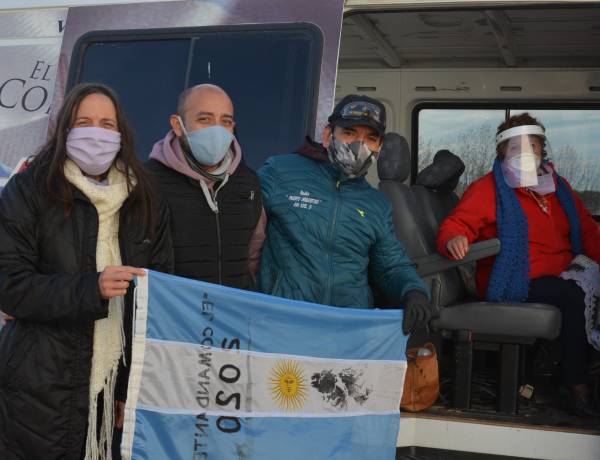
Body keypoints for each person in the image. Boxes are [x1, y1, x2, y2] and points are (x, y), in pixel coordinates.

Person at [0, 82, 173, 459]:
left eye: (106, 123)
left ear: (120, 132)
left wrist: (128, 389)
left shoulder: (145, 198)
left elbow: (156, 302)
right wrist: (89, 289)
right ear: (65, 130)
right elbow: (9, 283)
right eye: (84, 121)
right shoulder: (28, 190)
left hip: (111, 391)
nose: (96, 132)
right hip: (40, 389)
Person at [437, 113, 600, 417]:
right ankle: (575, 386)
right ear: (502, 152)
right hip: (510, 278)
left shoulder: (558, 187)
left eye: (534, 146)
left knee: (585, 284)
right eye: (516, 147)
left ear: (542, 151)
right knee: (572, 295)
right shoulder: (487, 188)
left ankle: (586, 369)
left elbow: (588, 231)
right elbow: (457, 223)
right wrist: (454, 239)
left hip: (559, 274)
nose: (527, 153)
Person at [258, 94, 435, 335]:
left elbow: (391, 266)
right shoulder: (281, 172)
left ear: (379, 147)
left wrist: (413, 291)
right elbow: (238, 232)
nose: (359, 146)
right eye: (349, 133)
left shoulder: (376, 204)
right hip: (283, 321)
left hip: (348, 328)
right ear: (327, 135)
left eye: (371, 138)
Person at [146, 84, 265, 289]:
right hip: (174, 316)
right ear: (177, 124)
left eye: (225, 122)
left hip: (232, 314)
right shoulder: (148, 181)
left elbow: (253, 256)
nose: (216, 130)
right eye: (204, 119)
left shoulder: (248, 183)